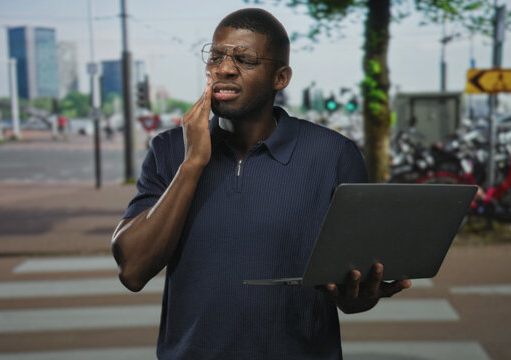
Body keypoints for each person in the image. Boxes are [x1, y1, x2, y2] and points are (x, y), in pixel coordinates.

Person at [111, 8, 411, 359]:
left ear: (280, 78)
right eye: (216, 55)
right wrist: (192, 164)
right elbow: (132, 271)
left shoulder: (334, 155)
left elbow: (353, 292)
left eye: (245, 59)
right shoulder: (168, 150)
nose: (223, 68)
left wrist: (361, 295)